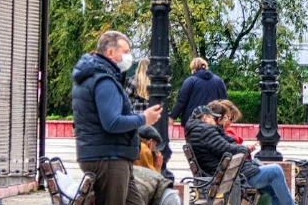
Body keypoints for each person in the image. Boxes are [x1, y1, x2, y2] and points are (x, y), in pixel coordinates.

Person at [73, 30, 164, 205]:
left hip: (111, 154)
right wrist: (144, 118)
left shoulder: (97, 76)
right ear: (110, 53)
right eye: (125, 51)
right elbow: (112, 122)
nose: (129, 56)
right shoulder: (104, 80)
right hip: (108, 158)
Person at [184, 104, 294, 205]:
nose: (215, 120)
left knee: (272, 189)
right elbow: (227, 149)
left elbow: (226, 144)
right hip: (235, 177)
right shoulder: (205, 131)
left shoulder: (198, 131)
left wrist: (238, 145)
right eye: (213, 118)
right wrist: (243, 148)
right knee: (276, 170)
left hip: (228, 175)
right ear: (205, 117)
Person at [131, 125, 183, 205]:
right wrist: (158, 165)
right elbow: (152, 181)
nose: (155, 149)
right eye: (155, 145)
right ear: (150, 142)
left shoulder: (135, 146)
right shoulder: (144, 150)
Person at [173, 57, 228, 127]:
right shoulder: (218, 80)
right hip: (214, 120)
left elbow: (181, 101)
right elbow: (224, 102)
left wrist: (172, 117)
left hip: (192, 121)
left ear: (193, 69)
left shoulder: (190, 81)